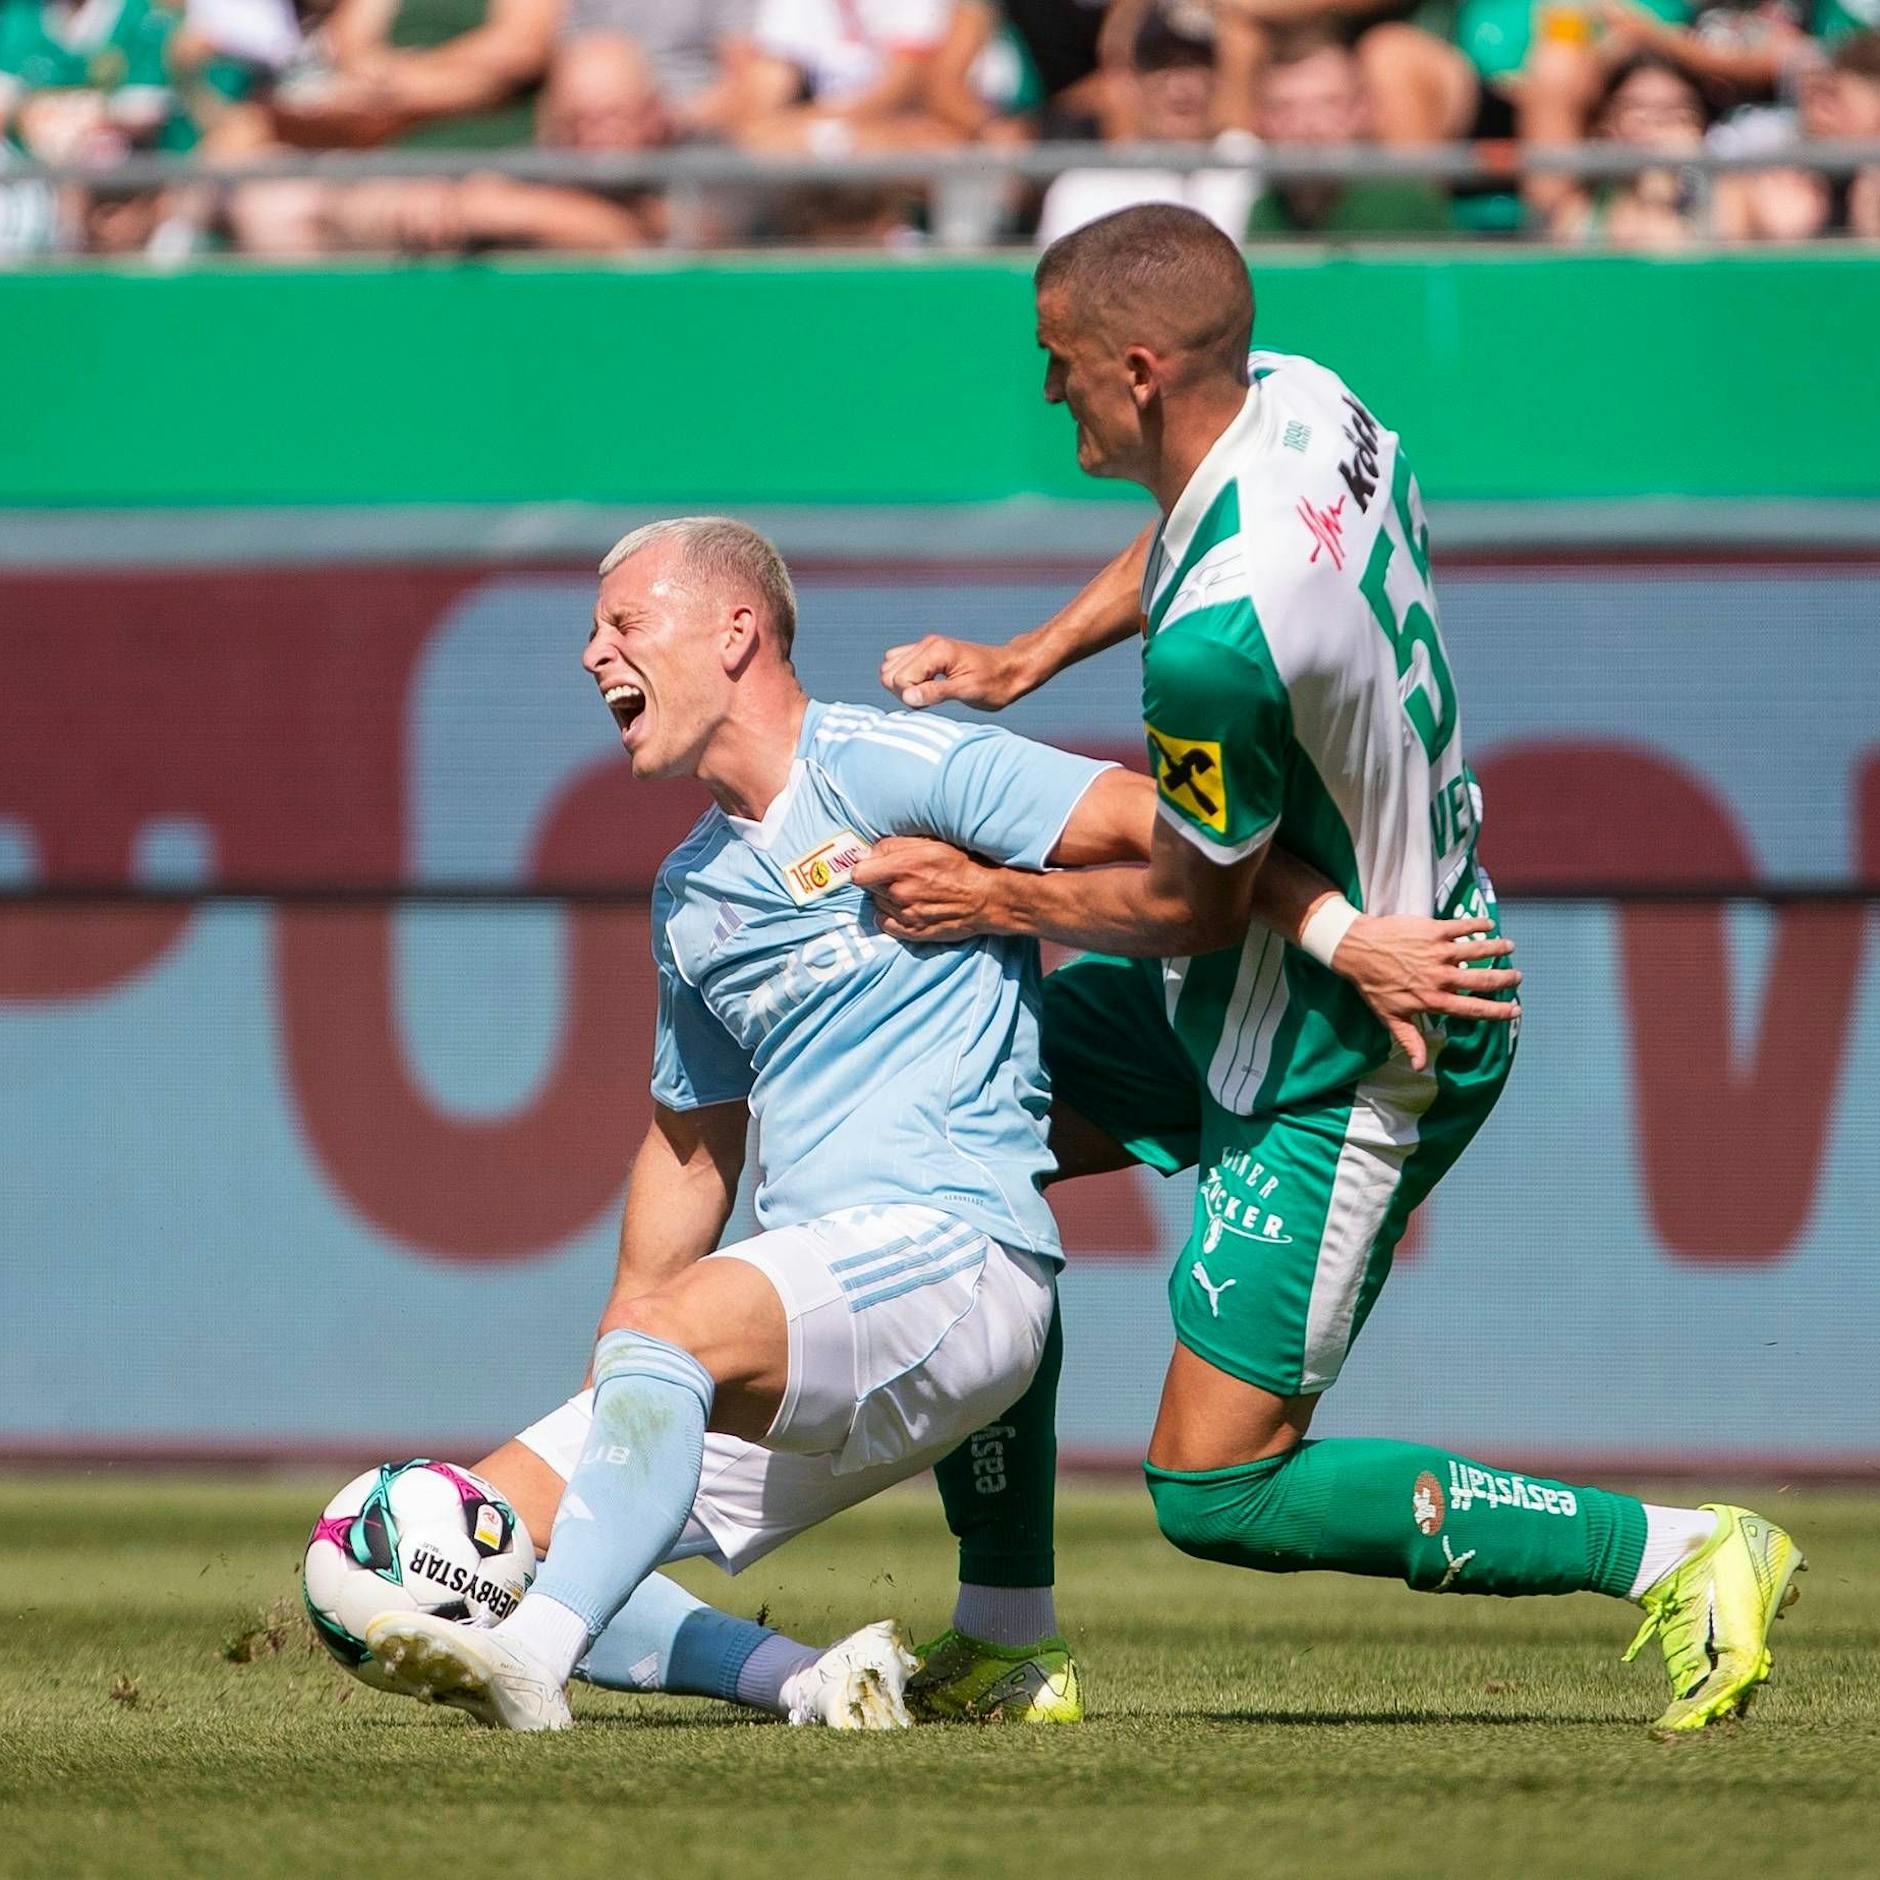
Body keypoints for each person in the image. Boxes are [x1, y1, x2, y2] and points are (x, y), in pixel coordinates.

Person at [864, 204, 1804, 1739]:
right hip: (1307, 967)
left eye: (1063, 365)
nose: (1049, 394)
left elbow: (1183, 903)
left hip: (1357, 1045)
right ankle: (1007, 1639)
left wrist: (985, 892)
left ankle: (1688, 1551)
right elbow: (1191, 541)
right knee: (962, 1163)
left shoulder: (1221, 647)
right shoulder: (1307, 398)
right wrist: (1030, 656)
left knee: (1216, 1489)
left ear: (1146, 368)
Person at [357, 515, 1469, 1729]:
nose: (590, 654)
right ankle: (816, 1681)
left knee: (590, 1501)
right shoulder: (688, 894)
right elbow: (689, 1148)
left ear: (736, 631)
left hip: (955, 1265)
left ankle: (537, 1659)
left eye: (620, 622)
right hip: (809, 1321)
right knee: (494, 1547)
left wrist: (1341, 936)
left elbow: (1182, 836)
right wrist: (628, 1386)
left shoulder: (891, 764)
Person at [1036, 8, 1260, 248]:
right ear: (1133, 82)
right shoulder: (1084, 186)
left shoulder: (1251, 165)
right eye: (1160, 65)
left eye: (1199, 64)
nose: (1181, 86)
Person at [1245, 29, 1451, 238]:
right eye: (1285, 108)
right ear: (1259, 118)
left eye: (1329, 104)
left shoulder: (1408, 206)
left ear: (1362, 111)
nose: (1308, 126)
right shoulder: (1253, 210)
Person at [1549, 51, 1754, 246]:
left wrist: (1662, 182)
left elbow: (1677, 274)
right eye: (1638, 108)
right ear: (1607, 122)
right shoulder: (1580, 211)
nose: (1657, 123)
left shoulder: (1726, 196)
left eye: (1675, 109)